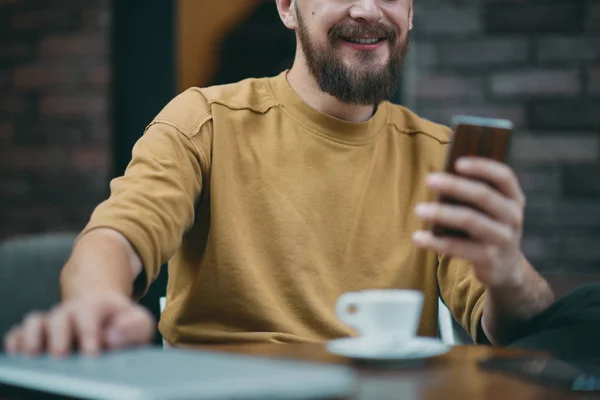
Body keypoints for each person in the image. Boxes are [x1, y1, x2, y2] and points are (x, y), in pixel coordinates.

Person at [5, 0, 583, 358]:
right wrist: (96, 302)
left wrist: (506, 270)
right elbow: (116, 236)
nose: (366, 9)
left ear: (409, 12)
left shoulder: (438, 154)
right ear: (287, 5)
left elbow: (505, 322)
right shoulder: (204, 119)